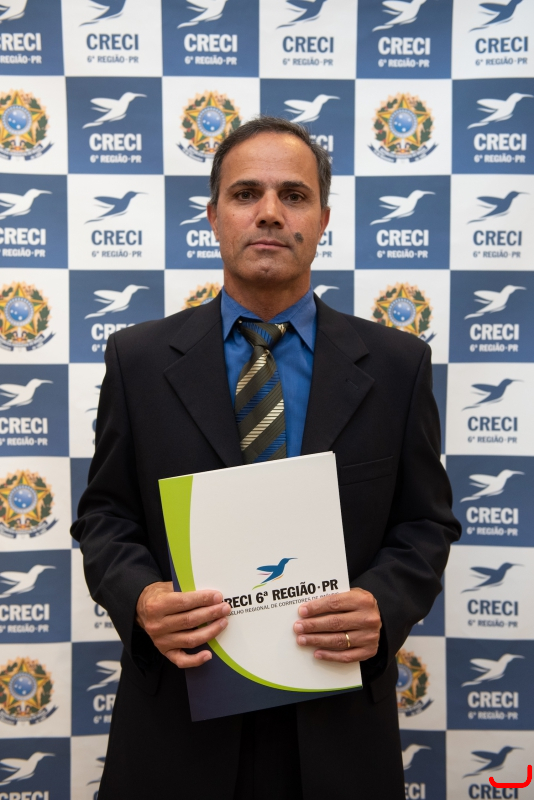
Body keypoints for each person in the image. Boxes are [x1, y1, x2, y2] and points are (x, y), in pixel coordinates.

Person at [72, 116, 461, 800]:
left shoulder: (398, 365)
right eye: (246, 193)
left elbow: (425, 524)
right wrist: (143, 598)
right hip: (179, 723)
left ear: (324, 219)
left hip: (335, 725)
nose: (271, 213)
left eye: (295, 195)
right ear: (214, 216)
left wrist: (382, 601)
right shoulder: (137, 359)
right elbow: (105, 515)